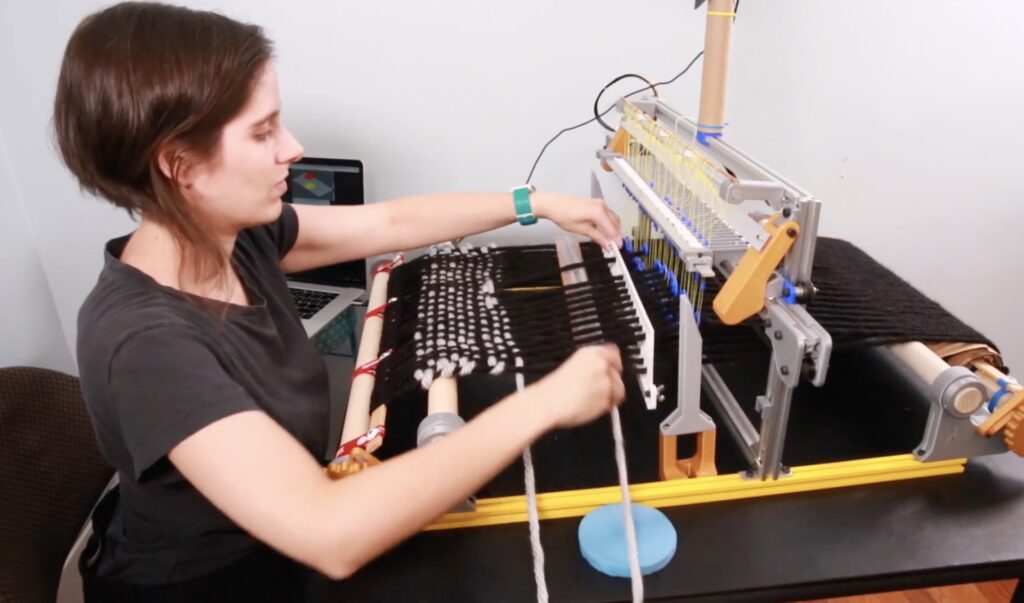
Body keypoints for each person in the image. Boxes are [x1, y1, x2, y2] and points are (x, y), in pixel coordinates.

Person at [54, 2, 627, 601]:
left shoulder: (236, 237)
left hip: (276, 548)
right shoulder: (144, 343)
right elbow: (330, 531)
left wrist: (533, 201)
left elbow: (387, 221)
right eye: (262, 131)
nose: (293, 148)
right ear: (180, 165)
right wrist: (543, 404)